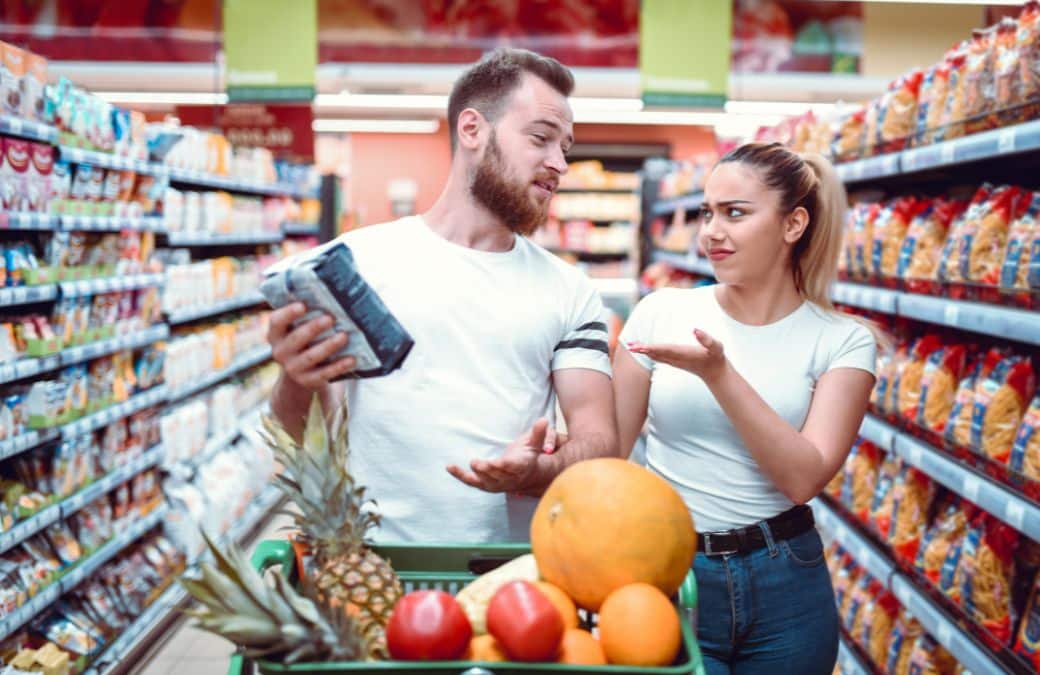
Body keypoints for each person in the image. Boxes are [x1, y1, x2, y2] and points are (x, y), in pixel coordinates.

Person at [266, 48, 618, 543]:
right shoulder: (354, 266)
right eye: (541, 138)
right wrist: (295, 379)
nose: (559, 163)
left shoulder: (570, 290)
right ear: (472, 130)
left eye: (566, 147)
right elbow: (302, 442)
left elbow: (600, 441)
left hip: (512, 584)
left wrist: (538, 472)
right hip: (374, 568)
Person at [614, 142, 878, 675]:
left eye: (735, 213)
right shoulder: (661, 311)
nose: (711, 231)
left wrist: (719, 374)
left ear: (793, 224)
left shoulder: (842, 342)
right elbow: (606, 454)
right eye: (708, 212)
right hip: (672, 568)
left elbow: (802, 478)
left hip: (787, 584)